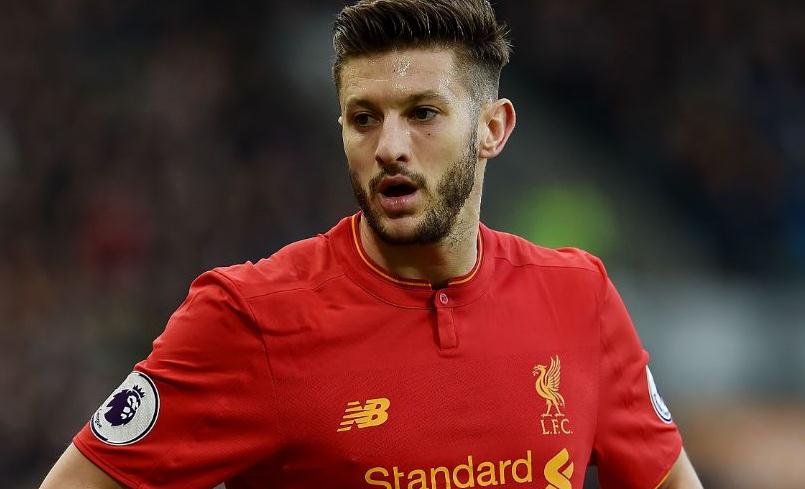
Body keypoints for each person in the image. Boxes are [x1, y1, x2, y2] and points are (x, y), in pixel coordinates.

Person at [41, 1, 703, 488]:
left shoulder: (578, 299)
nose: (387, 146)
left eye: (422, 112)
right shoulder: (248, 315)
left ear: (492, 128)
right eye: (363, 118)